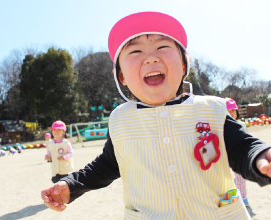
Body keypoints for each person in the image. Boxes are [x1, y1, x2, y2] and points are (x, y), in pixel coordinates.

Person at [41, 12, 271, 219]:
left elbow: (242, 147)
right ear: (122, 76)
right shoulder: (121, 120)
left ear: (183, 64)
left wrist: (261, 157)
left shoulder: (211, 109)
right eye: (135, 51)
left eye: (162, 47)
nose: (150, 58)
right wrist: (72, 185)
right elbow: (109, 165)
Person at [225, 97, 250, 207]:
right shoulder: (219, 125)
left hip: (237, 155)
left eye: (232, 111)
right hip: (224, 156)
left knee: (240, 176)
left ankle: (243, 197)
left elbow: (246, 140)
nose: (230, 113)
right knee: (225, 177)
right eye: (228, 111)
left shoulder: (241, 125)